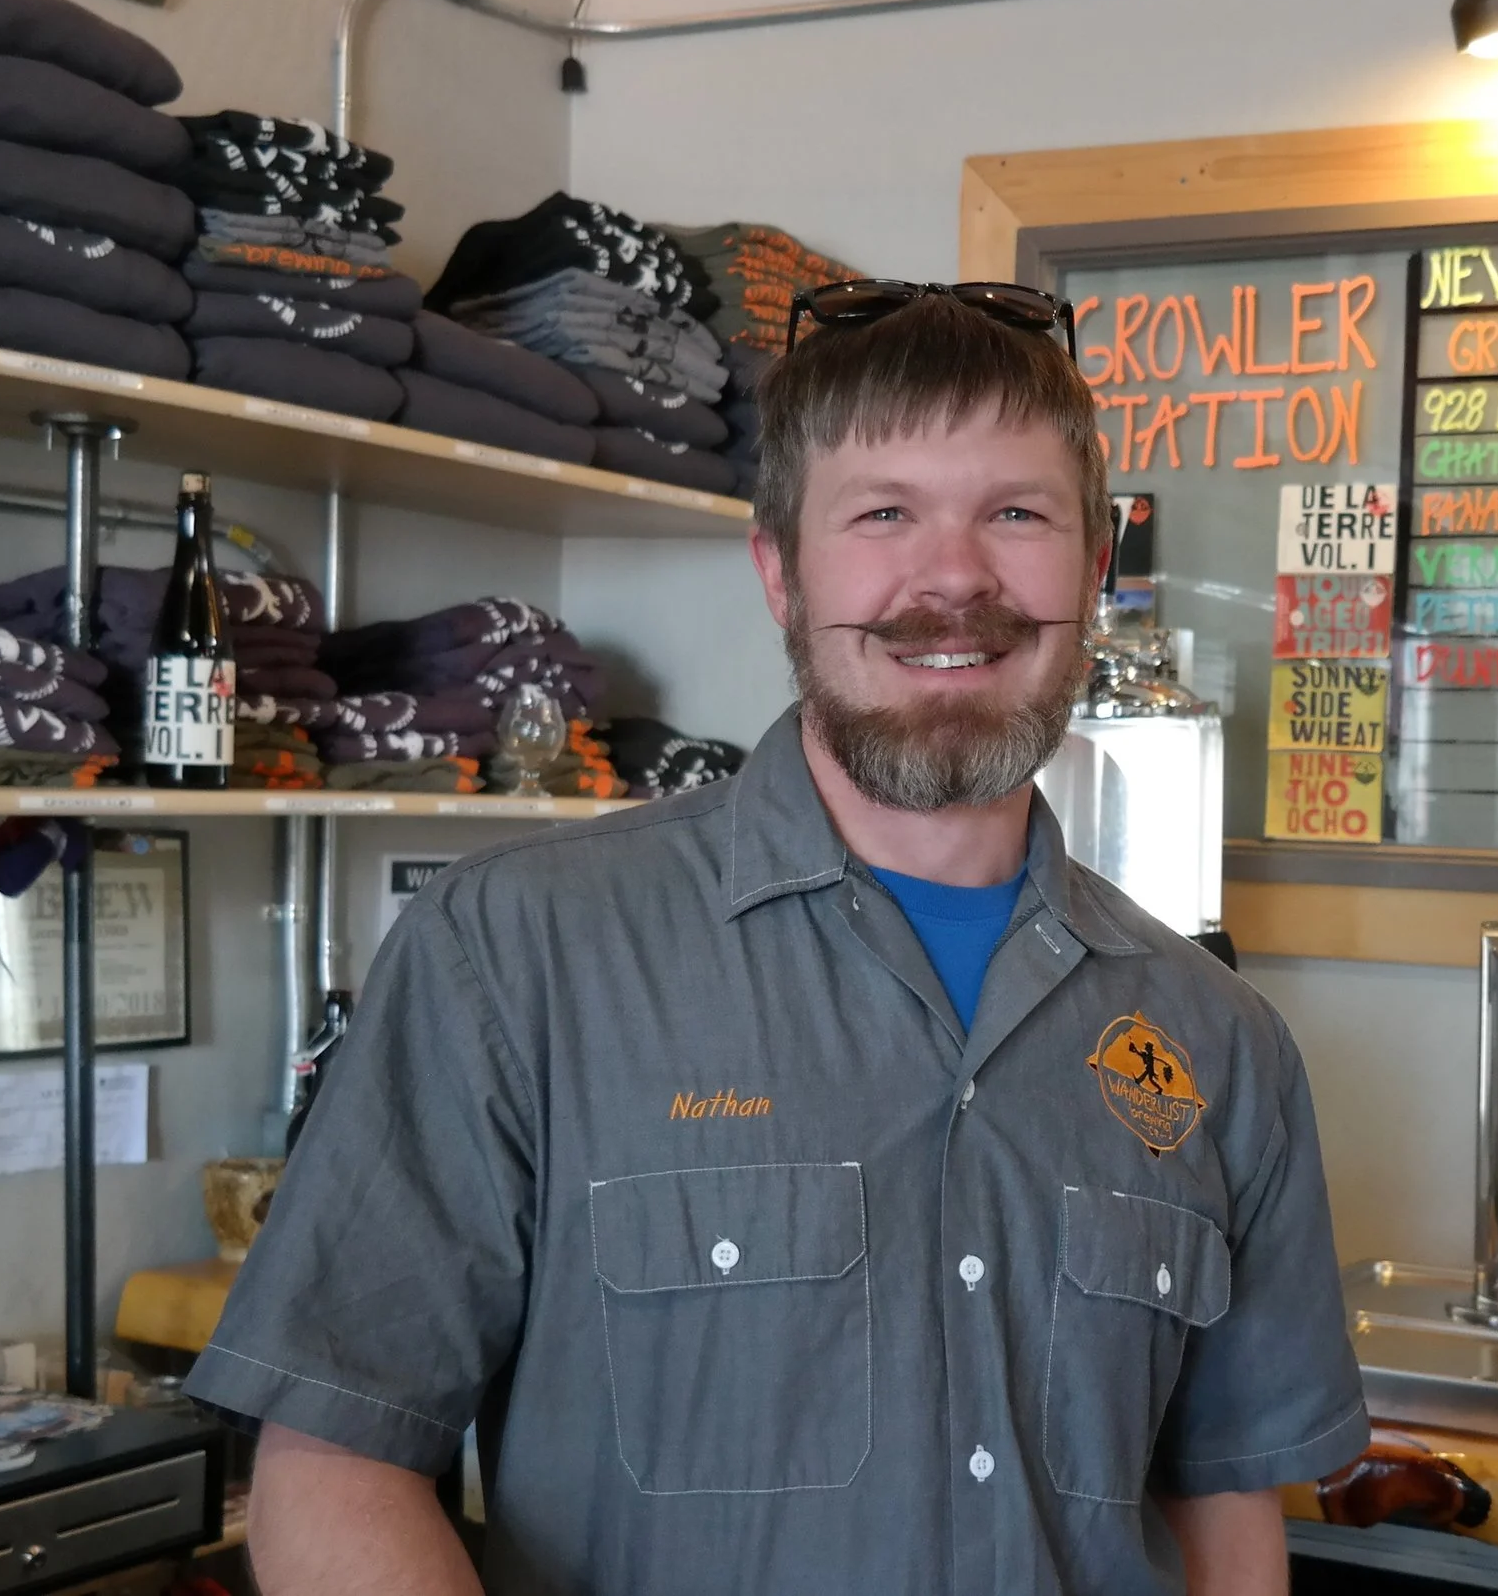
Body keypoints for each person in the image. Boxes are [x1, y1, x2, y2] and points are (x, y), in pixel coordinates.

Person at [186, 283, 1367, 1595]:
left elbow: (1223, 1506)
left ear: (1093, 572)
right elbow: (333, 1466)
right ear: (780, 574)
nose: (955, 576)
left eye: (1017, 514)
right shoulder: (519, 955)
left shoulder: (1220, 1040)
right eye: (884, 514)